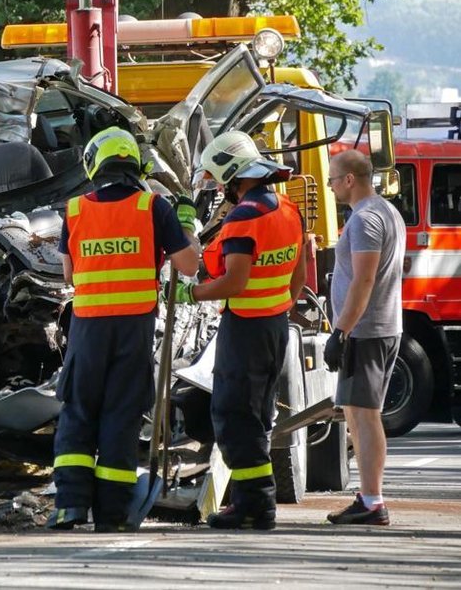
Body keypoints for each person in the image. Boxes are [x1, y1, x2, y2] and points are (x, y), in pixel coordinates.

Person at [48, 127, 199, 532]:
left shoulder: (76, 209)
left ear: (95, 163)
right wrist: (187, 225)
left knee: (78, 415)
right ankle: (112, 514)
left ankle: (70, 507)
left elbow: (68, 272)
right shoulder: (154, 207)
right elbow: (189, 266)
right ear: (134, 163)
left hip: (88, 330)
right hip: (133, 331)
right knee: (120, 417)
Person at [174, 130, 306, 530]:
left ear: (233, 175)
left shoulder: (243, 218)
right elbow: (297, 277)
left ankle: (255, 505)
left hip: (246, 327)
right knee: (258, 414)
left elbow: (234, 282)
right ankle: (254, 501)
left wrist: (191, 293)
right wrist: (277, 305)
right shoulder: (286, 208)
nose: (221, 192)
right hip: (275, 325)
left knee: (234, 413)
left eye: (220, 181)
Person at [323, 149, 405, 526]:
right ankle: (368, 496)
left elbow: (365, 279)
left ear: (350, 180)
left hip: (366, 329)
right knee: (359, 415)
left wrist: (342, 330)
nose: (331, 185)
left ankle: (372, 501)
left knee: (364, 416)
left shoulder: (364, 220)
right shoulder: (387, 212)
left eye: (333, 179)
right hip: (380, 326)